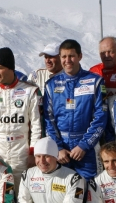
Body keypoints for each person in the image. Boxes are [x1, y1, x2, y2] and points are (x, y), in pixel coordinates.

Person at [0, 47, 43, 193]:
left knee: (23, 194)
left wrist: (33, 152)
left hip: (22, 150)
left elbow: (37, 125)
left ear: (10, 68)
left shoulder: (29, 91)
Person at [44, 39, 107, 181]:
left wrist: (84, 146)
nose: (68, 60)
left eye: (71, 56)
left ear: (80, 56)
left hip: (87, 149)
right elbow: (49, 120)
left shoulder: (95, 81)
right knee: (62, 192)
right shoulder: (51, 85)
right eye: (64, 56)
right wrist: (58, 148)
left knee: (91, 193)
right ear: (60, 58)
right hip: (62, 151)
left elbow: (101, 117)